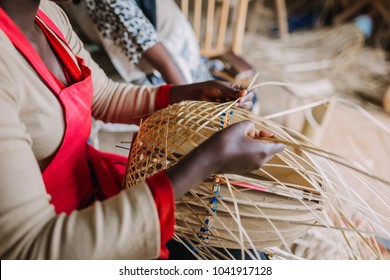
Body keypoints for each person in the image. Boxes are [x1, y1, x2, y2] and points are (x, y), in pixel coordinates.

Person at [0, 0, 283, 259]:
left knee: (244, 252)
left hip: (94, 197)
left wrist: (185, 94)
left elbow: (103, 95)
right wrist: (207, 161)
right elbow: (30, 251)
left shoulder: (46, 15)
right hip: (70, 242)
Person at [61, 0, 212, 85]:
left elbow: (166, 63)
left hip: (176, 64)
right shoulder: (61, 5)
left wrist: (191, 111)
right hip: (135, 57)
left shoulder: (108, 3)